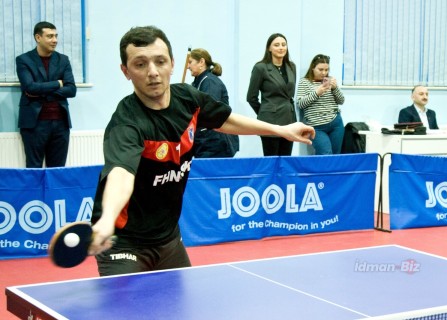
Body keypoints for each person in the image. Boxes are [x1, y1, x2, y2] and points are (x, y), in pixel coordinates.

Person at [88, 26, 315, 276]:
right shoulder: (126, 123)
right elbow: (121, 175)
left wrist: (281, 129)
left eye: (160, 61)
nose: (153, 72)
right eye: (140, 64)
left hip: (168, 238)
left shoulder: (188, 99)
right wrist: (107, 219)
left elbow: (226, 120)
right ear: (126, 71)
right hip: (124, 242)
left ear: (172, 64)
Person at [16, 21, 77, 168]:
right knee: (34, 169)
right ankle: (35, 193)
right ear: (38, 37)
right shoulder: (24, 60)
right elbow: (29, 87)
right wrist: (58, 83)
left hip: (61, 124)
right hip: (34, 124)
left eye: (56, 36)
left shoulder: (63, 59)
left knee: (57, 170)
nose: (55, 40)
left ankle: (53, 193)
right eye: (50, 36)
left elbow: (71, 90)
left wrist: (41, 89)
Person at [246, 33, 297, 156]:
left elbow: (290, 94)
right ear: (269, 48)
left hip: (289, 119)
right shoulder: (260, 68)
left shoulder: (291, 66)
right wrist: (265, 112)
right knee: (272, 160)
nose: (281, 48)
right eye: (276, 45)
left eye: (284, 45)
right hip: (270, 121)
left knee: (286, 161)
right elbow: (251, 97)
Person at [187, 48, 239, 158]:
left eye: (190, 62)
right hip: (205, 140)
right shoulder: (197, 83)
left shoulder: (210, 82)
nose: (188, 66)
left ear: (201, 62)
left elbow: (209, 111)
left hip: (214, 142)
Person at [296, 54, 345, 155]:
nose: (324, 73)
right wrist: (317, 93)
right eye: (320, 69)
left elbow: (341, 101)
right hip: (316, 127)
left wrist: (335, 88)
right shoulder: (304, 82)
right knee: (325, 154)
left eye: (326, 70)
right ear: (313, 68)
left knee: (336, 156)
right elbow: (300, 104)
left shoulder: (330, 81)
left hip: (336, 123)